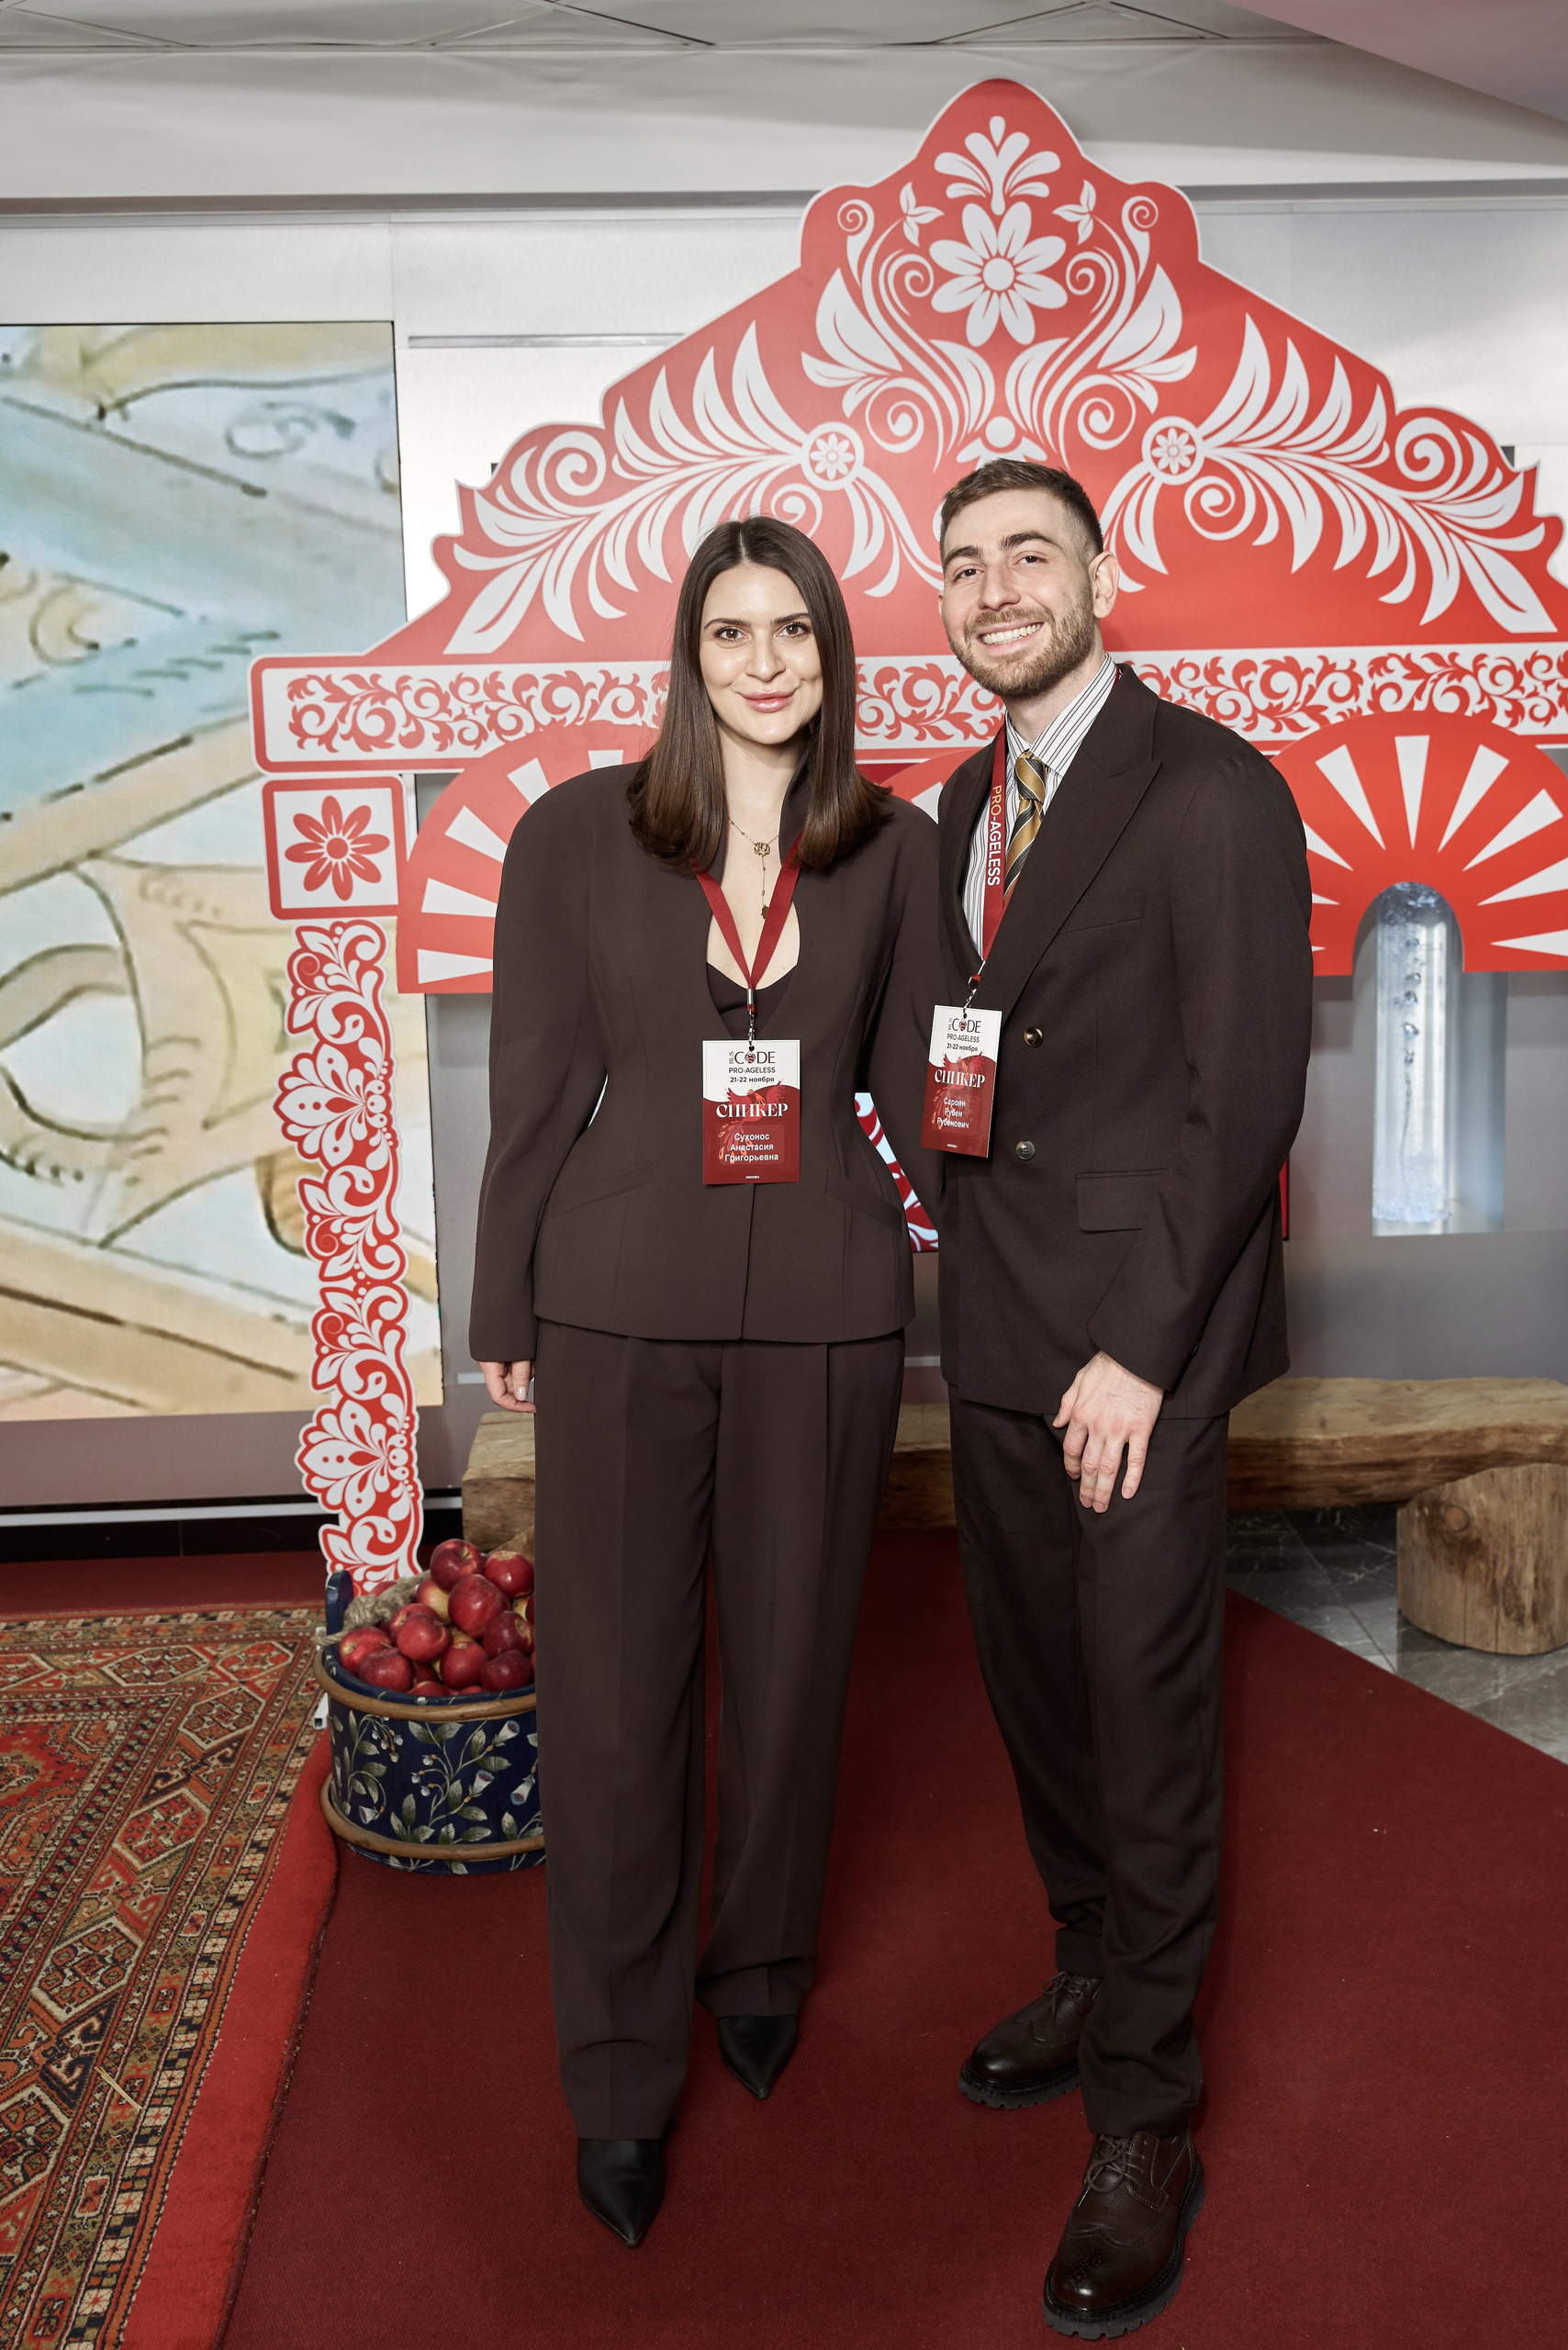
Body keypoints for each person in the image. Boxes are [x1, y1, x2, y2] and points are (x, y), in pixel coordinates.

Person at [471, 515, 942, 2251]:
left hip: (828, 1300)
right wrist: (503, 1296)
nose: (763, 661)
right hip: (614, 1301)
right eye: (732, 631)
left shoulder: (895, 849)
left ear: (830, 655)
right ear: (688, 654)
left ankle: (760, 1969)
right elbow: (536, 1083)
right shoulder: (574, 834)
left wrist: (1056, 1264)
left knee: (797, 1668)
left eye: (793, 631)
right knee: (614, 1696)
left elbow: (933, 1085)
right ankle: (615, 2071)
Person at [926, 458, 1313, 2338]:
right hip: (996, 1322)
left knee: (1146, 1716)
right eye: (966, 565)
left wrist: (1144, 1351)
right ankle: (1093, 1965)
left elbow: (1244, 1098)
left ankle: (1148, 2115)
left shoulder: (1213, 788)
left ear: (1103, 576)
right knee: (1036, 1688)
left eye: (1032, 555)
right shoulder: (960, 802)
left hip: (1134, 1347)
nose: (998, 588)